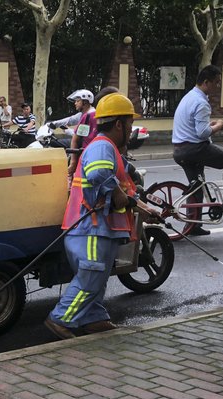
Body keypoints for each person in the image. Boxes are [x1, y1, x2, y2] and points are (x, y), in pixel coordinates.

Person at [45, 94, 159, 339]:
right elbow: (99, 175)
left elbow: (124, 191)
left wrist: (144, 209)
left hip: (97, 229)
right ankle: (61, 318)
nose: (131, 130)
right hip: (90, 228)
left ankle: (93, 317)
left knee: (97, 277)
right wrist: (117, 193)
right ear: (118, 124)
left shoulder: (110, 150)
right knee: (91, 275)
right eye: (129, 124)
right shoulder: (101, 146)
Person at [173, 64, 223, 227]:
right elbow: (202, 133)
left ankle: (192, 226)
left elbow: (194, 125)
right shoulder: (201, 103)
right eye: (217, 82)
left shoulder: (189, 97)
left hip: (179, 150)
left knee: (197, 187)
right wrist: (219, 126)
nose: (218, 86)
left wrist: (210, 123)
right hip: (194, 149)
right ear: (206, 82)